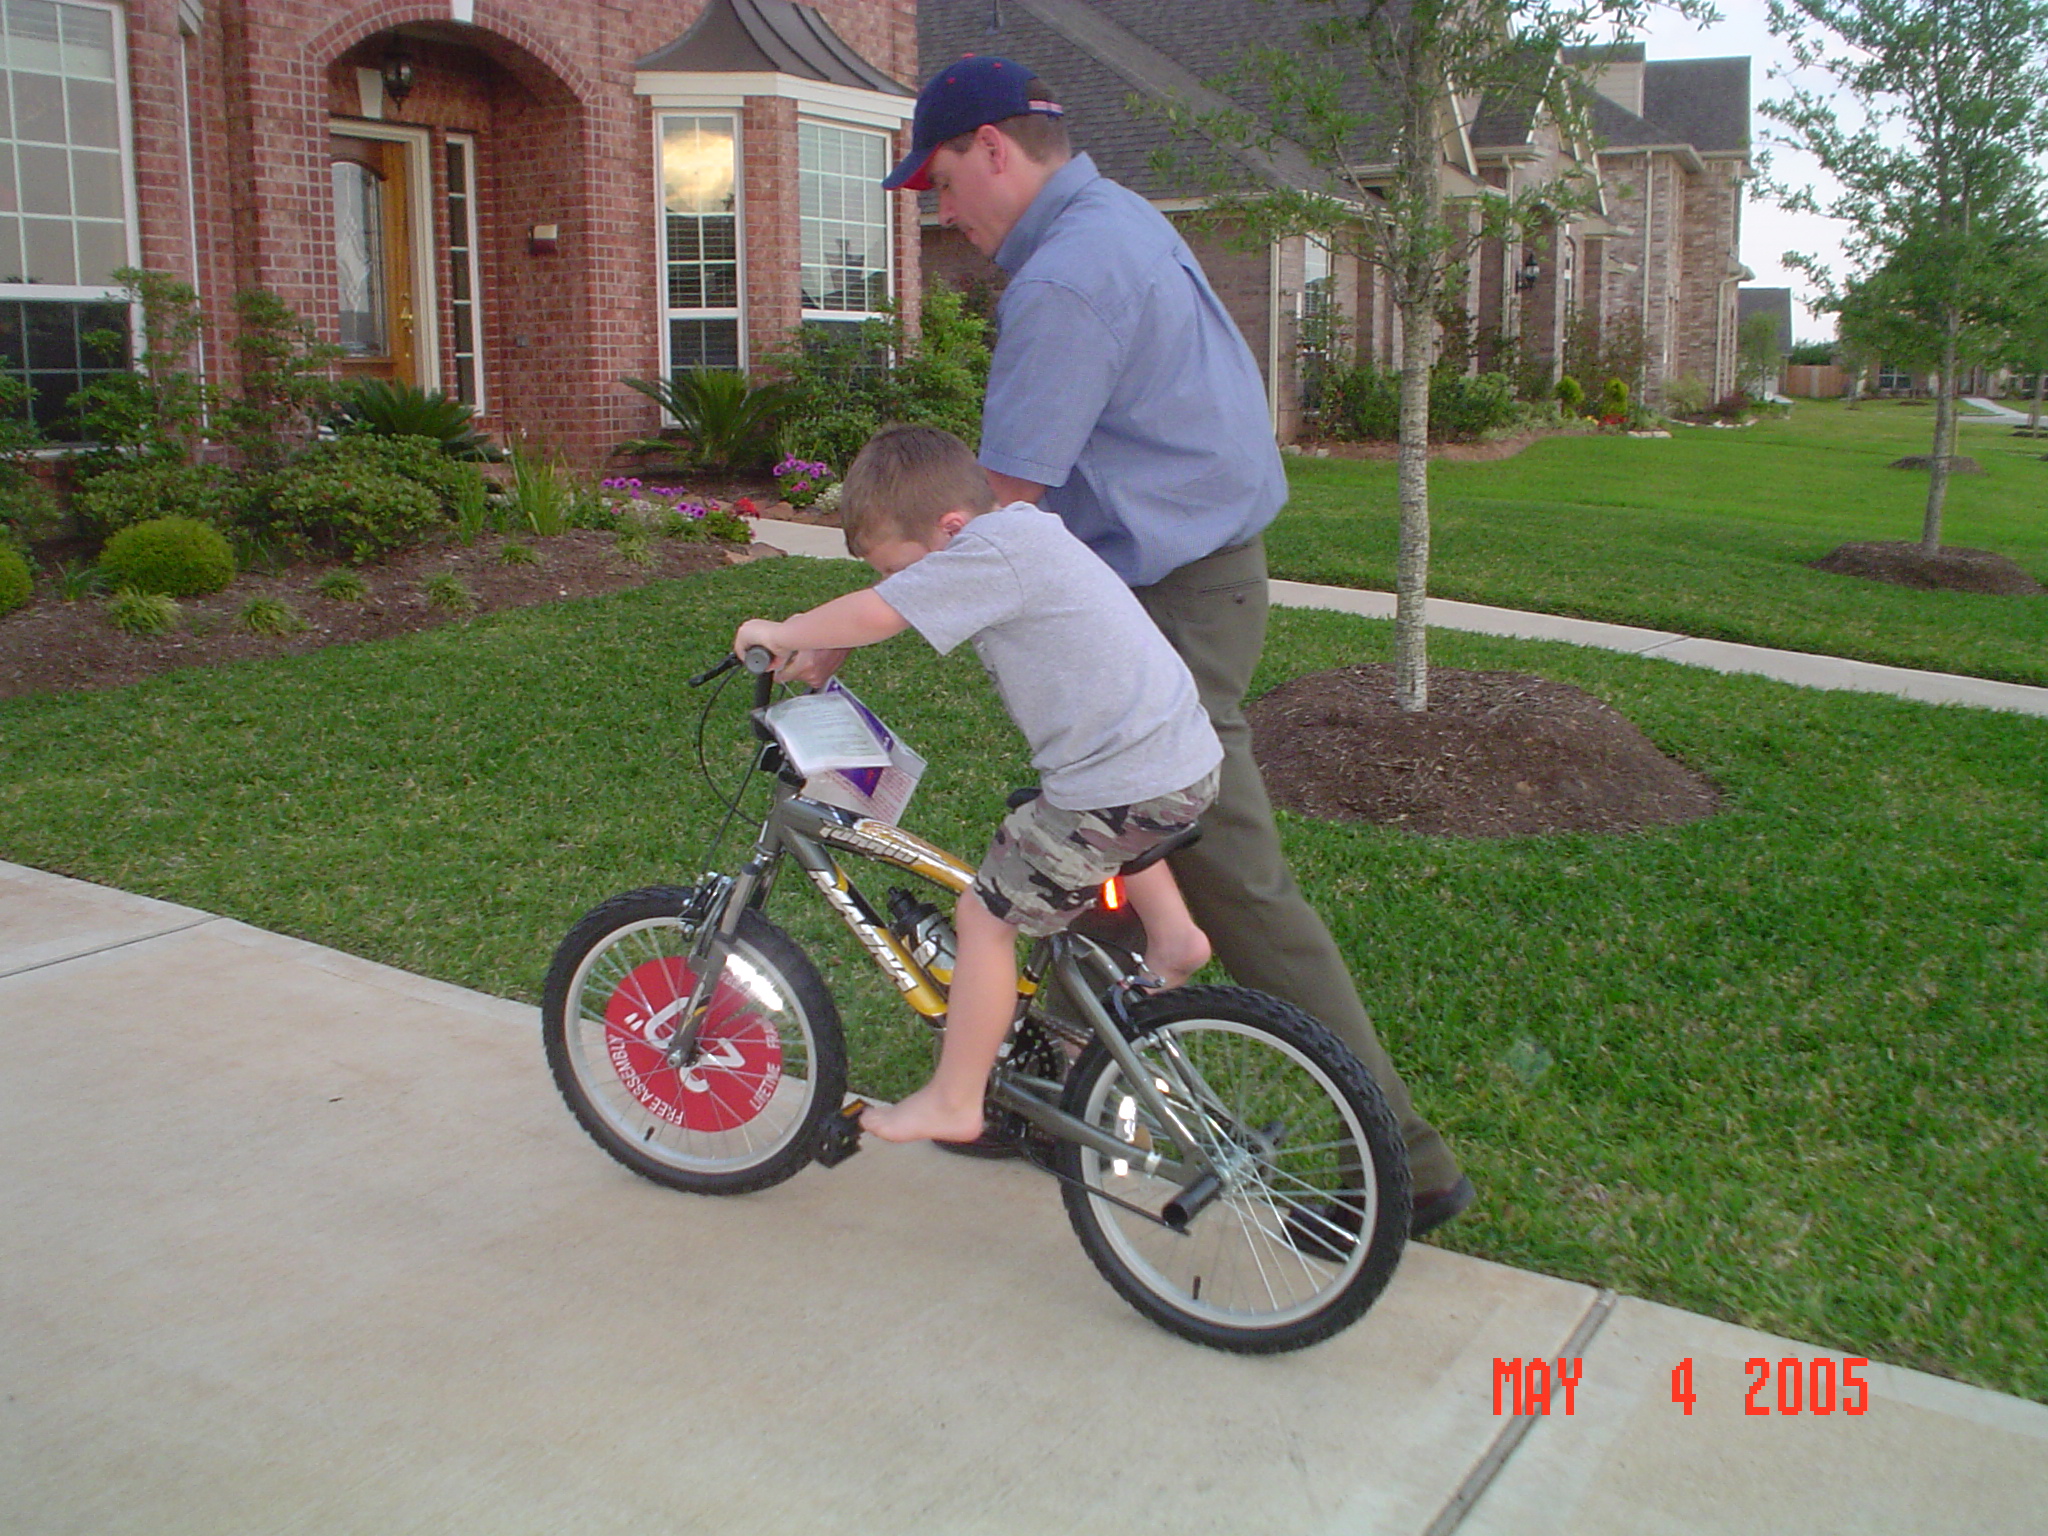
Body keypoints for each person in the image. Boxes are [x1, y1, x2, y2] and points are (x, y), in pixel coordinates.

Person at [872, 53, 1476, 1234]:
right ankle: (1055, 1086)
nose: (941, 214)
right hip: (1187, 578)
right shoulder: (1117, 220)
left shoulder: (1066, 277)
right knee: (1093, 834)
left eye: (939, 182)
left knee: (1225, 869)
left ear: (991, 149)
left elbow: (1002, 513)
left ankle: (1401, 1165)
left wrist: (860, 621)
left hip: (1170, 597)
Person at [734, 424, 1223, 1146]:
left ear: (952, 528)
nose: (901, 584)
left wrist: (785, 629)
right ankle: (1174, 937)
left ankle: (955, 1100)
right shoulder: (1019, 532)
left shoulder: (989, 552)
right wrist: (834, 638)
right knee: (1085, 820)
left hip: (1119, 782)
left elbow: (882, 611)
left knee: (986, 921)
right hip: (1175, 761)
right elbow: (901, 598)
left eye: (902, 568)